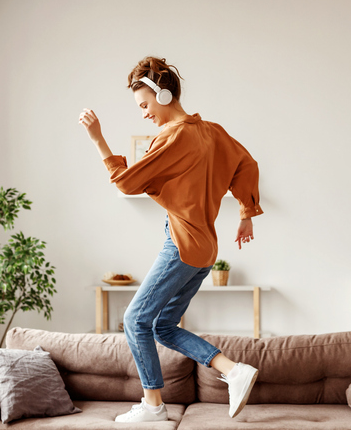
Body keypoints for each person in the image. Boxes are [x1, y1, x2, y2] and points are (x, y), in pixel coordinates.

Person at [78, 56, 263, 423]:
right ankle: (233, 370)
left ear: (163, 94)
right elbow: (247, 164)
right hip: (205, 248)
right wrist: (245, 213)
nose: (144, 114)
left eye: (144, 104)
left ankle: (153, 406)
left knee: (134, 320)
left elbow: (128, 182)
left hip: (182, 243)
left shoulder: (172, 135)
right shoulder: (211, 131)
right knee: (162, 325)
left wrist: (98, 140)